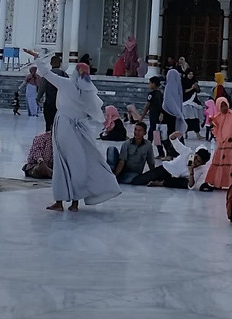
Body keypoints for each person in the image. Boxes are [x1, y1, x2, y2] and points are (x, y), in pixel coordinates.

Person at [24, 48, 121, 211]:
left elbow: (47, 74)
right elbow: (94, 113)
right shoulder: (89, 92)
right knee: (78, 164)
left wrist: (38, 58)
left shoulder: (67, 84)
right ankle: (75, 203)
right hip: (81, 130)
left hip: (65, 127)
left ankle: (60, 201)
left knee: (62, 163)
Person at [131, 134, 209, 188]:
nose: (195, 162)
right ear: (194, 154)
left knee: (184, 183)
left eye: (198, 161)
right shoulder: (188, 152)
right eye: (195, 158)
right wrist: (173, 137)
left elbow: (190, 186)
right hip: (166, 169)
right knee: (137, 181)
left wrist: (191, 172)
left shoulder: (200, 170)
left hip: (174, 180)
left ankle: (161, 183)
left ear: (203, 163)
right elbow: (177, 145)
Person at [203, 97, 232, 190]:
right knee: (220, 163)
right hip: (222, 145)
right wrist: (211, 123)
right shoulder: (218, 117)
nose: (224, 108)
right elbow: (215, 130)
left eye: (225, 105)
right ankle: (219, 183)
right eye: (221, 106)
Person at [37, 55, 66, 130]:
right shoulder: (64, 75)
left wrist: (38, 98)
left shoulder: (47, 74)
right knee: (59, 126)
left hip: (49, 103)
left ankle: (49, 139)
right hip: (61, 104)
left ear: (50, 63)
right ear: (60, 64)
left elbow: (42, 88)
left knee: (49, 124)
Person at [141, 76, 167, 155]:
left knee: (152, 134)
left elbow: (147, 106)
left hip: (154, 116)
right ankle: (160, 152)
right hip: (158, 117)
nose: (149, 85)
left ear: (154, 84)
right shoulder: (161, 94)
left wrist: (141, 117)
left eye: (150, 83)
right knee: (156, 134)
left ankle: (146, 150)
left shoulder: (151, 94)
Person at [163, 61, 187, 137]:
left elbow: (168, 101)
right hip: (174, 114)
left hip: (169, 113)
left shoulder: (169, 88)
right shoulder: (176, 88)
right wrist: (178, 112)